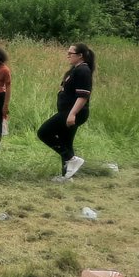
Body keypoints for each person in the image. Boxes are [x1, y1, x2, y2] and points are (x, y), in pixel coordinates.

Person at [38, 43, 95, 181]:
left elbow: (83, 96)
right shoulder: (76, 69)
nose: (68, 55)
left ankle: (71, 159)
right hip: (68, 111)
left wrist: (72, 114)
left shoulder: (83, 70)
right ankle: (67, 176)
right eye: (68, 52)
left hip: (73, 112)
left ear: (80, 55)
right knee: (66, 141)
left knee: (43, 132)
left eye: (71, 53)